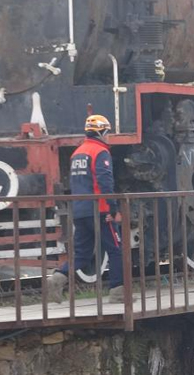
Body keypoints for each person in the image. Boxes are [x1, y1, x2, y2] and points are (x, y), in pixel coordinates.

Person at [47, 115, 125, 303]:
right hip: (100, 210)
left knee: (82, 253)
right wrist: (113, 210)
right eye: (108, 132)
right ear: (102, 132)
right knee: (116, 250)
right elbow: (105, 181)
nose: (109, 137)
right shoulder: (100, 152)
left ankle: (57, 279)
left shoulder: (78, 153)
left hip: (80, 211)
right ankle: (118, 293)